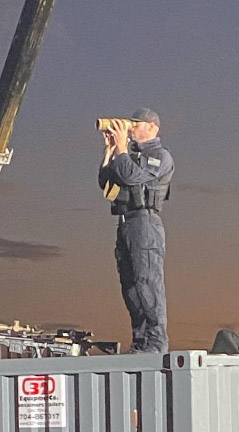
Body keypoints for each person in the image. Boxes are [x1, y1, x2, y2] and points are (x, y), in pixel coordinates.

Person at [98, 108, 174, 353]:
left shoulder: (160, 155)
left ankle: (156, 341)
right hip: (126, 222)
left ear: (153, 128)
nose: (131, 129)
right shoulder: (127, 155)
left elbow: (132, 177)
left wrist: (121, 147)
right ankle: (141, 340)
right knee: (130, 285)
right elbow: (106, 182)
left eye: (136, 124)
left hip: (145, 222)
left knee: (147, 281)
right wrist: (110, 150)